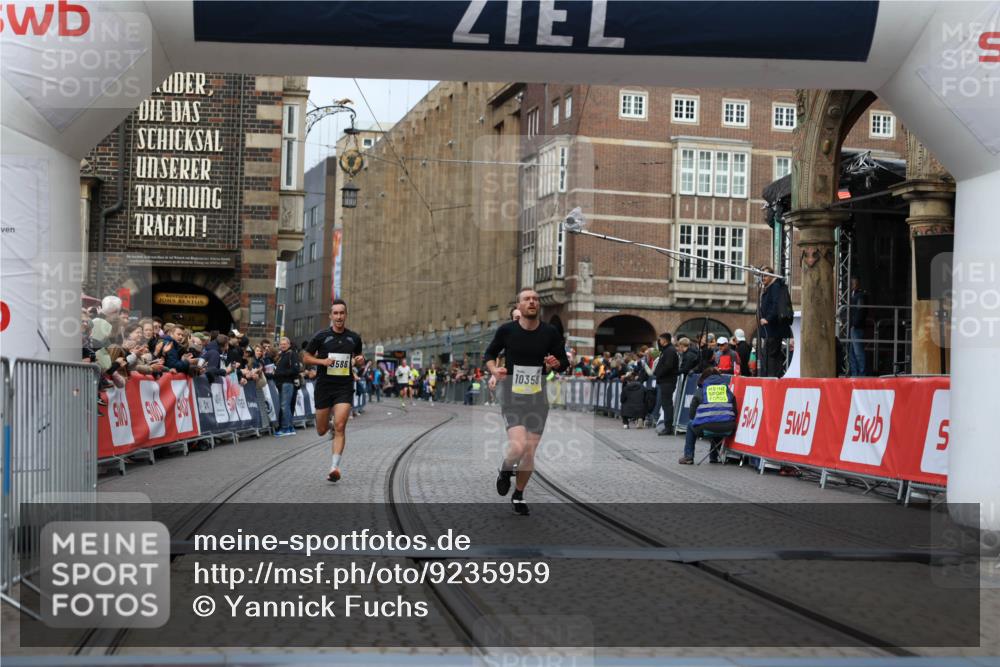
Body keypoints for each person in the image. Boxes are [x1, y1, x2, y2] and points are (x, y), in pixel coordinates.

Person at [485, 288, 568, 516]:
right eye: (527, 299)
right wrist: (495, 370)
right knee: (518, 446)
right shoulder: (507, 331)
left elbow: (563, 361)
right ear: (519, 306)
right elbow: (489, 354)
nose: (532, 302)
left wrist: (555, 363)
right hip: (512, 397)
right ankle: (505, 469)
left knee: (529, 452)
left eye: (535, 299)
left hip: (537, 399)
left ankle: (519, 494)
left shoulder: (550, 332)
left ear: (538, 305)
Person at [302, 300, 366, 482]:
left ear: (346, 315)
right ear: (330, 316)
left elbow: (358, 358)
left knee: (340, 426)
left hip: (343, 387)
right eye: (335, 313)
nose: (339, 317)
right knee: (321, 430)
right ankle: (328, 427)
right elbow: (305, 357)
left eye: (342, 313)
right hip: (324, 386)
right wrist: (322, 362)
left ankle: (334, 467)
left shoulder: (354, 338)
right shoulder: (321, 337)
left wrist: (360, 360)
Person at [679, 367, 738, 465]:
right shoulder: (727, 390)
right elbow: (735, 412)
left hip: (706, 429)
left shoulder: (701, 391)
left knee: (691, 425)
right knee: (719, 420)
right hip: (728, 429)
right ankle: (714, 457)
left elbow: (691, 415)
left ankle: (688, 456)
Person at [759, 267, 792, 378]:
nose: (763, 278)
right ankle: (772, 376)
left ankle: (771, 377)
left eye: (766, 275)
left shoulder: (775, 287)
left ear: (772, 276)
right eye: (762, 275)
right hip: (771, 328)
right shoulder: (770, 288)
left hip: (773, 328)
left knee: (770, 353)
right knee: (771, 353)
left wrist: (767, 318)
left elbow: (775, 304)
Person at [652, 333, 679, 436]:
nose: (659, 342)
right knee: (665, 404)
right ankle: (667, 426)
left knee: (667, 405)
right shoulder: (666, 350)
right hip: (665, 381)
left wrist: (659, 373)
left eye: (660, 340)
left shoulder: (670, 351)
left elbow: (668, 366)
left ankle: (668, 427)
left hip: (667, 381)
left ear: (665, 340)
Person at [273, 337, 300, 437]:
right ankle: (289, 427)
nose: (283, 345)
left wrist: (280, 373)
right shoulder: (282, 355)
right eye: (281, 344)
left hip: (287, 383)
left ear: (289, 345)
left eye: (285, 344)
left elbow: (296, 369)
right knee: (286, 406)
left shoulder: (292, 354)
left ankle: (285, 428)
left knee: (285, 406)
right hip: (282, 383)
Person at [848, 277, 867, 376]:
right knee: (852, 353)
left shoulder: (860, 296)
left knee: (858, 352)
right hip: (854, 326)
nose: (853, 285)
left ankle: (861, 374)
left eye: (854, 283)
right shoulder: (853, 294)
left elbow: (860, 311)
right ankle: (855, 373)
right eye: (852, 283)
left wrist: (855, 324)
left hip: (857, 327)